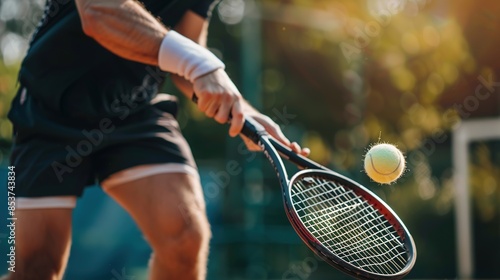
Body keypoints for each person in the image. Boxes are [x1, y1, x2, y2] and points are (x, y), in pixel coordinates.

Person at [4, 0, 309, 279]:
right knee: (35, 267)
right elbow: (99, 11)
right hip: (51, 105)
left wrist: (242, 111)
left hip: (134, 108)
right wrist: (201, 65)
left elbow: (188, 44)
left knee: (185, 238)